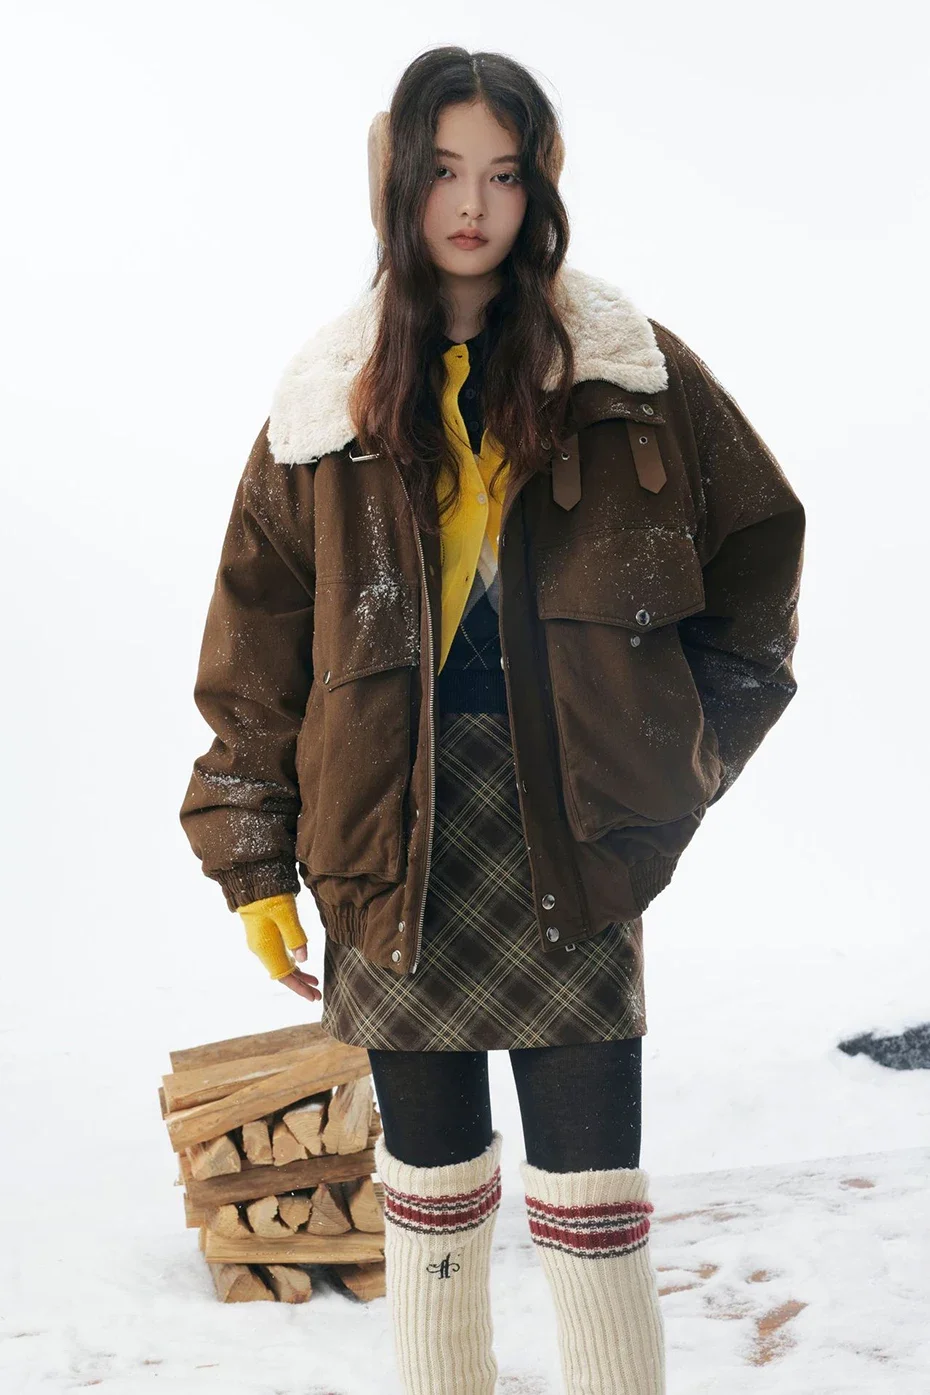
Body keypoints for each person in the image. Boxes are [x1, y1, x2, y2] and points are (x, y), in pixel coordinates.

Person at [180, 45, 805, 1395]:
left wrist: (671, 763)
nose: (472, 206)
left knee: (594, 1194)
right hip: (387, 828)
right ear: (396, 182)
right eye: (445, 170)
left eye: (505, 174)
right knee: (431, 1186)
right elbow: (256, 647)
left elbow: (757, 570)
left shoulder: (629, 374)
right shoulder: (324, 400)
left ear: (542, 188)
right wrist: (252, 856)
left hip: (571, 818)